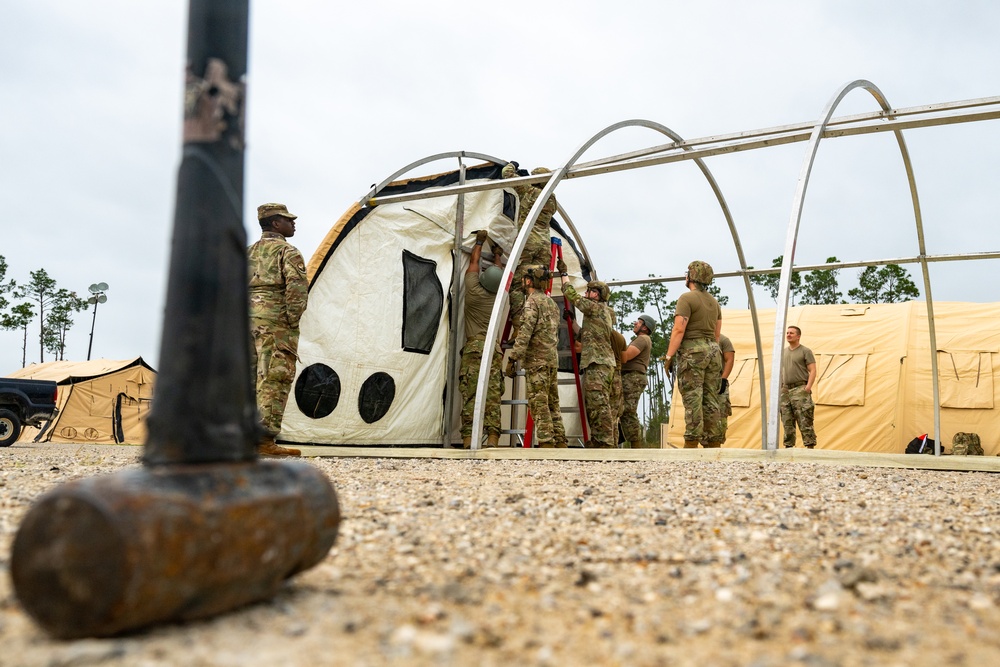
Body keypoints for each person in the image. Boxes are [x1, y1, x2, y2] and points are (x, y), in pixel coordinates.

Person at [248, 203, 309, 457]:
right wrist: (291, 321)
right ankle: (264, 440)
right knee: (274, 376)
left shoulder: (247, 252)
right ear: (275, 224)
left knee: (249, 378)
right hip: (275, 321)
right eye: (288, 220)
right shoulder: (288, 251)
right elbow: (296, 288)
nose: (293, 223)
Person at [662, 261, 724, 448]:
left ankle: (691, 445)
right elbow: (717, 334)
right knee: (710, 398)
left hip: (693, 352)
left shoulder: (686, 298)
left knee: (693, 398)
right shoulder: (714, 302)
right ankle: (713, 444)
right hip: (713, 352)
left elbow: (679, 329)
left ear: (691, 277)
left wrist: (669, 356)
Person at [505, 265, 567, 448]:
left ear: (529, 281)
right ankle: (561, 443)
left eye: (524, 278)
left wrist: (513, 358)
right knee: (553, 404)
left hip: (536, 362)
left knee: (539, 404)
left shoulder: (532, 302)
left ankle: (546, 443)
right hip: (551, 361)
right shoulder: (551, 303)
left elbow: (525, 333)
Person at [558, 264, 617, 448]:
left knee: (599, 404)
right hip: (597, 363)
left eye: (590, 291)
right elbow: (586, 334)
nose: (587, 294)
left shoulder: (596, 308)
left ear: (597, 295)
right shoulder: (600, 313)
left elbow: (572, 296)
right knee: (594, 404)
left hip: (598, 364)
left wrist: (564, 275)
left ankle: (606, 442)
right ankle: (600, 440)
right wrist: (572, 322)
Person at [459, 230, 505, 448]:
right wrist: (498, 256)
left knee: (471, 394)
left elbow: (474, 261)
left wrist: (479, 241)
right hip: (493, 350)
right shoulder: (499, 298)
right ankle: (493, 438)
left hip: (475, 348)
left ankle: (468, 438)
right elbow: (501, 276)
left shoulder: (474, 292)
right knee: (492, 396)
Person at [502, 162, 557, 335]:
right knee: (537, 285)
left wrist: (512, 165)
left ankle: (520, 326)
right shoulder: (552, 199)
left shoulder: (530, 191)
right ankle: (538, 323)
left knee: (517, 284)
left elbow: (507, 174)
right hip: (544, 245)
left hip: (529, 241)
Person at [780, 325, 817, 448]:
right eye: (787, 333)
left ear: (798, 336)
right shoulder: (783, 352)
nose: (788, 335)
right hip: (785, 390)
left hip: (800, 388)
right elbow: (781, 370)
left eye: (791, 333)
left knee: (804, 419)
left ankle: (809, 446)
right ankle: (788, 447)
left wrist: (807, 387)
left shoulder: (805, 351)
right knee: (787, 420)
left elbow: (812, 370)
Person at [621, 314, 655, 448]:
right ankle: (634, 444)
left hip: (632, 377)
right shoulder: (641, 339)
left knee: (628, 411)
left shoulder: (642, 339)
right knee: (626, 411)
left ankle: (636, 446)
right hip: (631, 377)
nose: (635, 323)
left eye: (639, 322)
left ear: (645, 327)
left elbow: (626, 356)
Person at [718, 333, 735, 443]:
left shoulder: (723, 340)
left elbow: (729, 359)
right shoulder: (697, 337)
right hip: (702, 383)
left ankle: (716, 442)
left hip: (718, 383)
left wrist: (723, 378)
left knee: (721, 414)